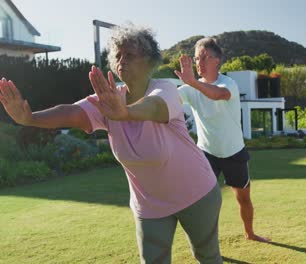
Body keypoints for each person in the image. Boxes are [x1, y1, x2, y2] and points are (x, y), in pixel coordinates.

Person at [0, 24, 222, 264]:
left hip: (196, 192)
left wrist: (124, 112)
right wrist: (30, 118)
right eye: (118, 55)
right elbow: (72, 112)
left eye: (130, 55)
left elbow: (155, 107)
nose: (122, 60)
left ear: (149, 61)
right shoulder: (110, 99)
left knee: (207, 257)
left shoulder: (165, 89)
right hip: (150, 205)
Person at [175, 37, 270, 243]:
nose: (198, 62)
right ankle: (204, 243)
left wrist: (192, 83)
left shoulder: (229, 84)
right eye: (196, 58)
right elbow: (166, 99)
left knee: (243, 198)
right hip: (206, 153)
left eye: (203, 57)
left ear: (217, 60)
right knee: (202, 201)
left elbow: (218, 95)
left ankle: (250, 233)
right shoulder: (191, 88)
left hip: (234, 152)